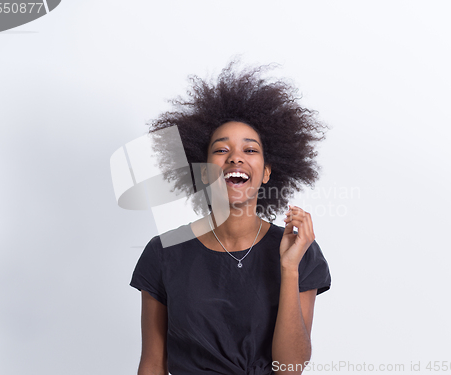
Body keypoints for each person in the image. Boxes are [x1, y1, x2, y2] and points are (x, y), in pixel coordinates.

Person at [129, 61, 331, 375]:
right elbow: (153, 364)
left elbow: (289, 368)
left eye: (250, 150)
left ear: (266, 173)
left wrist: (289, 269)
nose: (235, 156)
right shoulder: (163, 252)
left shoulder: (299, 251)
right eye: (221, 150)